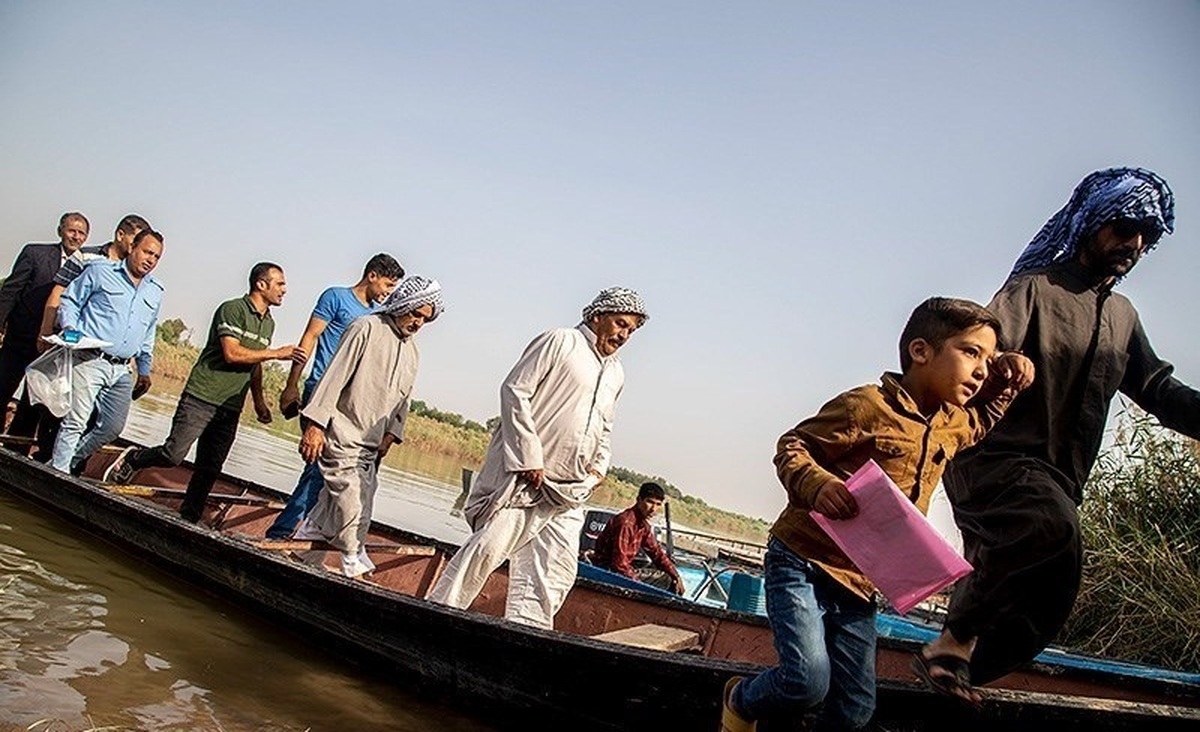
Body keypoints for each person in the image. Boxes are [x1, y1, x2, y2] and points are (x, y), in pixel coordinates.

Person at [918, 167, 1200, 704]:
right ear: (1092, 222)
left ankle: (954, 670)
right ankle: (951, 642)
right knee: (1051, 527)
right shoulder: (1034, 289)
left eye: (1146, 236)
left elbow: (1159, 389)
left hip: (1059, 481)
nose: (1134, 244)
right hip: (994, 461)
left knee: (1053, 585)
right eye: (1124, 228)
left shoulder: (1122, 317)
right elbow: (978, 352)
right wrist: (1001, 365)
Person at [722, 297, 1034, 732]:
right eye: (971, 353)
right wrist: (818, 485)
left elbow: (983, 419)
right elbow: (793, 446)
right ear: (920, 351)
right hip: (803, 562)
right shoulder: (867, 405)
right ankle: (740, 700)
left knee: (854, 709)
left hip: (859, 581)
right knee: (806, 681)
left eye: (990, 359)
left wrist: (1009, 378)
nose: (982, 369)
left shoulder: (954, 423)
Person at [429, 287, 648, 629]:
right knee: (487, 550)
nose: (624, 335)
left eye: (631, 331)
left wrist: (599, 467)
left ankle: (527, 630)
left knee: (556, 569)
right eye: (620, 324)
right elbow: (515, 390)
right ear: (597, 316)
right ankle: (436, 614)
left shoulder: (615, 372)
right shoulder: (561, 342)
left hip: (571, 488)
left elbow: (605, 425)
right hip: (528, 477)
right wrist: (529, 456)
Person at [105, 263, 299, 523]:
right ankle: (134, 458)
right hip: (202, 396)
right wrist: (276, 353)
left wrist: (259, 402)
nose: (284, 290)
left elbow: (255, 364)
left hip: (230, 407)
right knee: (173, 454)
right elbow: (232, 353)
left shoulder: (268, 323)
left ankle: (189, 517)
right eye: (280, 284)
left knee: (210, 467)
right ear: (261, 285)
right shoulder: (232, 309)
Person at [292, 276, 442, 577]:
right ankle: (352, 558)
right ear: (403, 304)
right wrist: (315, 425)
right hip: (343, 432)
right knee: (354, 499)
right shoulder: (366, 327)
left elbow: (404, 399)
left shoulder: (412, 352)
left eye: (425, 319)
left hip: (371, 443)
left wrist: (392, 433)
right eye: (415, 314)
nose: (418, 323)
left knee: (357, 496)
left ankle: (306, 543)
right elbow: (334, 376)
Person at [264, 253, 405, 539]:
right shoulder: (336, 298)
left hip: (347, 404)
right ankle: (281, 534)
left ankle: (299, 533)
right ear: (372, 276)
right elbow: (310, 337)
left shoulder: (378, 317)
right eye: (387, 285)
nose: (388, 293)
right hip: (321, 391)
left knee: (327, 472)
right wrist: (291, 384)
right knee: (319, 469)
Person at [49, 230, 165, 475]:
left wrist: (144, 370)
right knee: (75, 422)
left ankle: (64, 463)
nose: (151, 260)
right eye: (147, 252)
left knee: (112, 428)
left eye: (156, 257)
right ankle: (58, 473)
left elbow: (148, 333)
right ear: (132, 247)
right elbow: (70, 300)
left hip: (122, 369)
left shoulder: (155, 291)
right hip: (90, 359)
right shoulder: (100, 271)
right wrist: (70, 328)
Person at [0, 212, 90, 451]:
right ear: (60, 231)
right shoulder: (35, 253)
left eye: (81, 233)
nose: (76, 237)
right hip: (21, 336)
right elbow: (10, 292)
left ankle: (15, 451)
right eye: (72, 231)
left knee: (34, 401)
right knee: (3, 387)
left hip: (51, 347)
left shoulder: (87, 267)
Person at [590, 481, 685, 595]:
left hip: (620, 571)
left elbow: (657, 553)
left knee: (669, 575)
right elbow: (619, 565)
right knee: (665, 579)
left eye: (658, 504)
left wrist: (676, 575)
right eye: (650, 502)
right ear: (639, 500)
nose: (653, 509)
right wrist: (639, 584)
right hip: (607, 572)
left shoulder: (643, 525)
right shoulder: (625, 523)